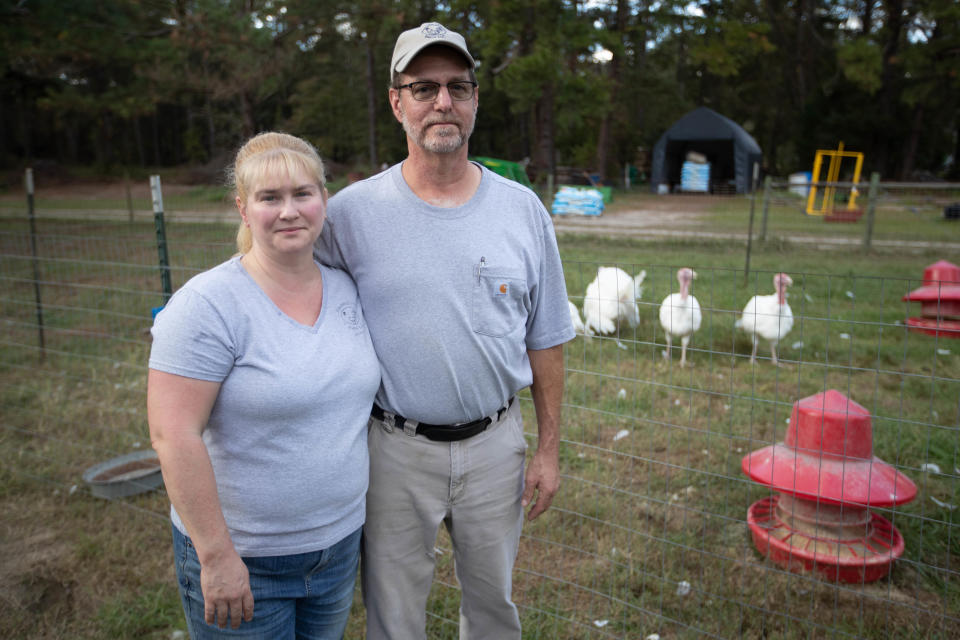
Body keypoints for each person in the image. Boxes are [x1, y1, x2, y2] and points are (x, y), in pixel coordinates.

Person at [315, 22, 575, 640]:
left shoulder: (522, 210)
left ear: (476, 100)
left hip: (496, 448)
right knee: (394, 610)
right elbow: (293, 293)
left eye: (458, 87)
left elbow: (547, 338)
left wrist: (547, 449)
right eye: (423, 86)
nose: (442, 102)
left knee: (492, 607)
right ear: (396, 101)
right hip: (394, 449)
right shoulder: (351, 215)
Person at [148, 132, 380, 639]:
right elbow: (174, 435)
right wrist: (216, 557)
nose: (289, 211)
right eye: (269, 198)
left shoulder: (346, 289)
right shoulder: (207, 306)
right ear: (243, 208)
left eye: (302, 194)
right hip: (246, 559)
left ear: (325, 199)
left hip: (336, 550)